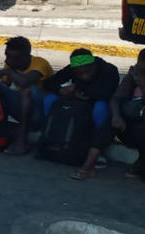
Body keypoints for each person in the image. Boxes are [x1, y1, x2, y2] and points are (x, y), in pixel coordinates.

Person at [42, 48, 120, 180]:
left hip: (97, 104)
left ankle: (97, 148)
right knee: (50, 99)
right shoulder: (73, 68)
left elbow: (108, 93)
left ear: (93, 64)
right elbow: (49, 83)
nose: (84, 76)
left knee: (100, 108)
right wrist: (61, 90)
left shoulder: (109, 70)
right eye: (79, 73)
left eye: (87, 71)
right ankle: (49, 138)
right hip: (78, 104)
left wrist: (82, 91)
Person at [0, 36, 54, 155]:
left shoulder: (39, 63)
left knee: (27, 89)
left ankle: (22, 141)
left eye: (13, 58)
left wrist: (10, 72)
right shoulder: (11, 65)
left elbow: (25, 82)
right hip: (24, 110)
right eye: (6, 55)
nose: (7, 61)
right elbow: (4, 86)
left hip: (42, 114)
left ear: (26, 56)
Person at [112, 50, 145, 181]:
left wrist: (141, 80)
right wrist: (116, 116)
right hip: (131, 121)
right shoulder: (133, 75)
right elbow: (116, 98)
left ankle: (141, 162)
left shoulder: (137, 76)